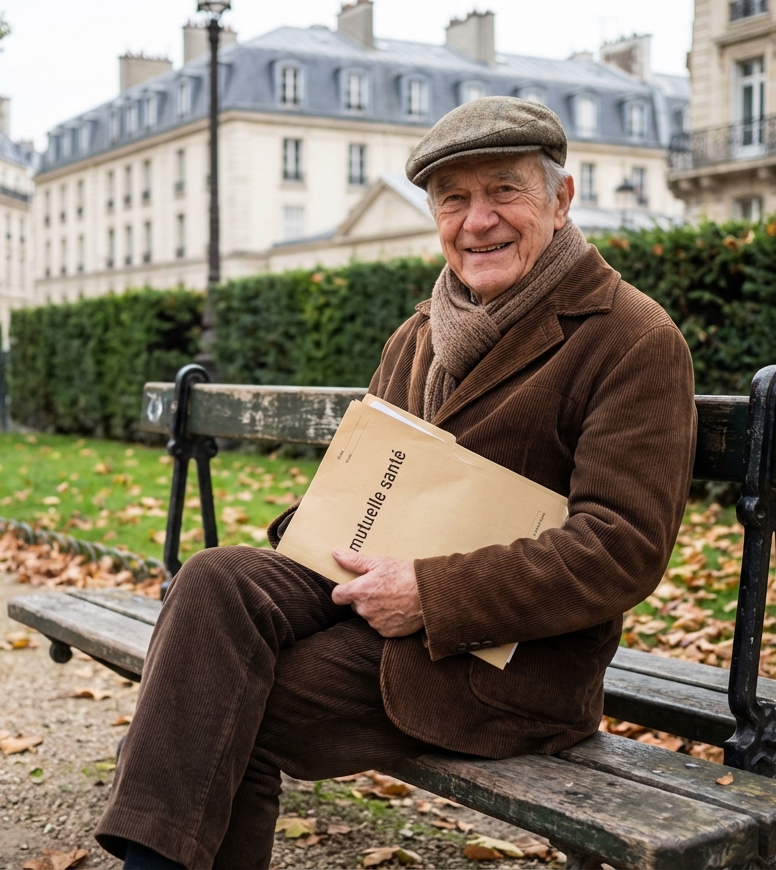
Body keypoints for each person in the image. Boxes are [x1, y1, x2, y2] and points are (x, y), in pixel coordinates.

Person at [95, 97, 697, 870]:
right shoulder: (420, 332)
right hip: (368, 596)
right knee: (213, 579)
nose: (477, 220)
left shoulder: (632, 337)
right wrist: (314, 525)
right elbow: (375, 476)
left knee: (218, 700)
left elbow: (621, 549)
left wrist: (431, 593)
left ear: (561, 200)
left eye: (504, 190)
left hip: (508, 666)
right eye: (454, 199)